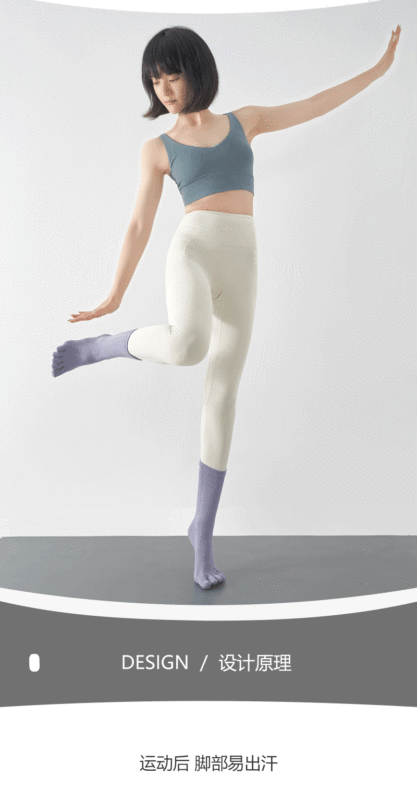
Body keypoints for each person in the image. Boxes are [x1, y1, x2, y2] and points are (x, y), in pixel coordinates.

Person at [52, 24, 400, 589]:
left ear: (197, 71)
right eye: (155, 80)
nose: (165, 89)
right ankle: (105, 347)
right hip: (192, 251)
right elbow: (139, 224)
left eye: (173, 75)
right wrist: (113, 295)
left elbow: (315, 104)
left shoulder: (247, 121)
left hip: (244, 261)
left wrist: (380, 69)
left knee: (223, 394)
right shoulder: (157, 149)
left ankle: (203, 534)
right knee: (188, 346)